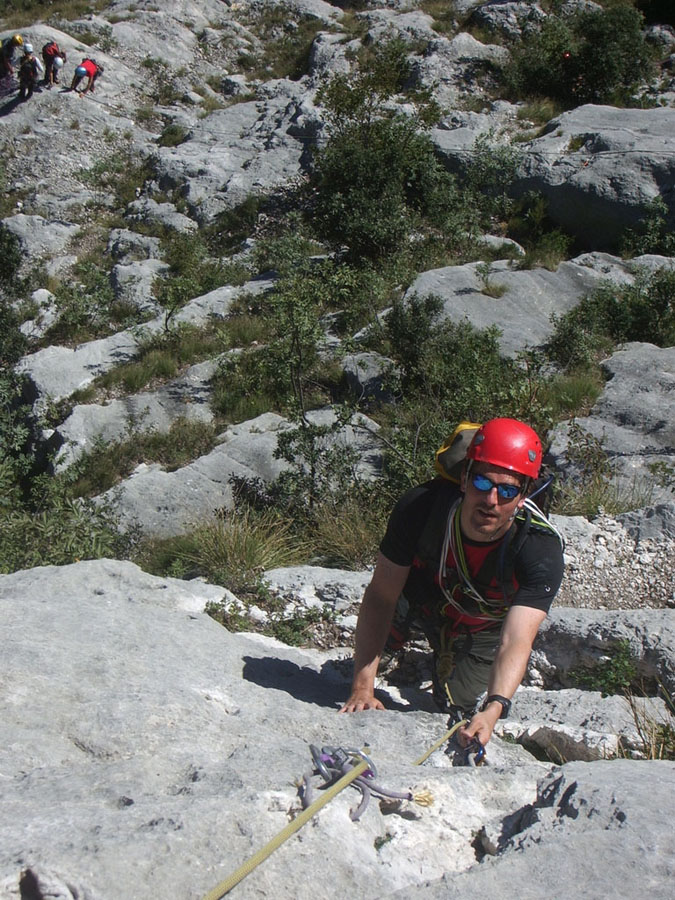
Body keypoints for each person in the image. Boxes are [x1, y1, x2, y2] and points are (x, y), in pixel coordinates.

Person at [340, 418, 565, 750]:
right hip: (421, 597)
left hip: (481, 626)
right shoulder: (421, 509)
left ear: (523, 496)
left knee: (454, 703)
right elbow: (381, 596)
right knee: (388, 620)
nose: (491, 500)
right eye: (481, 482)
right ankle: (387, 648)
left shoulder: (539, 550)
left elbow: (516, 639)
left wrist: (493, 709)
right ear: (463, 478)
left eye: (507, 490)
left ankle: (445, 665)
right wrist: (362, 688)